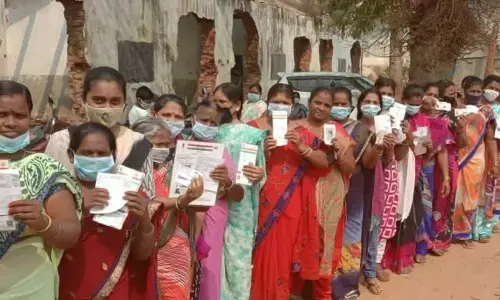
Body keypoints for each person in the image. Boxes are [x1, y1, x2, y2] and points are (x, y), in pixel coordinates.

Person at [0, 80, 82, 299]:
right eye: (2, 115)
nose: (10, 123)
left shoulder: (45, 168)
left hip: (28, 283)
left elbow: (71, 233)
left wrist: (43, 223)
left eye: (19, 116)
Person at [249, 83, 330, 300]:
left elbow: (324, 162)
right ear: (267, 101)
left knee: (282, 254)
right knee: (257, 255)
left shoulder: (301, 132)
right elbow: (241, 167)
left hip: (290, 204)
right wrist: (262, 153)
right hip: (257, 202)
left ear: (293, 105)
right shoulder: (251, 129)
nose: (280, 106)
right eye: (276, 101)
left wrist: (303, 147)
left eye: (285, 103)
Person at [45, 66, 155, 198]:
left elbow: (148, 197)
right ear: (84, 100)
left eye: (115, 101)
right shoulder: (62, 141)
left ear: (124, 103)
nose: (107, 108)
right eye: (99, 100)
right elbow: (45, 191)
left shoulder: (138, 143)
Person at [290, 87, 356, 299]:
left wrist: (339, 150)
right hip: (299, 193)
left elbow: (349, 169)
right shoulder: (295, 127)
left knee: (325, 246)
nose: (322, 108)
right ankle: (295, 293)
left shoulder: (337, 131)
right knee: (298, 242)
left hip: (329, 197)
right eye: (318, 102)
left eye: (327, 105)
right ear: (309, 102)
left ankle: (323, 294)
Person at [211, 82, 266, 299]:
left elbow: (254, 175)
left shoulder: (250, 135)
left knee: (238, 265)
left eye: (222, 102)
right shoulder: (206, 130)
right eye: (215, 102)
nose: (218, 107)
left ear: (236, 105)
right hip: (209, 205)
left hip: (239, 208)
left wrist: (258, 174)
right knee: (210, 263)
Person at [332, 88, 388, 299]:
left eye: (343, 104)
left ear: (350, 106)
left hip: (354, 189)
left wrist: (380, 149)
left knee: (352, 236)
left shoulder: (361, 129)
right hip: (326, 187)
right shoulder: (323, 127)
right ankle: (322, 285)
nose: (339, 108)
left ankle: (345, 287)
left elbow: (368, 163)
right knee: (326, 235)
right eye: (335, 103)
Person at [372, 77, 400, 287]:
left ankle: (377, 261)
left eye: (390, 94)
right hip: (368, 173)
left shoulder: (397, 118)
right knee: (368, 220)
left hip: (388, 172)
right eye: (382, 93)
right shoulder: (364, 116)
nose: (385, 98)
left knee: (386, 217)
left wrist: (402, 136)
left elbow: (396, 154)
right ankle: (364, 262)